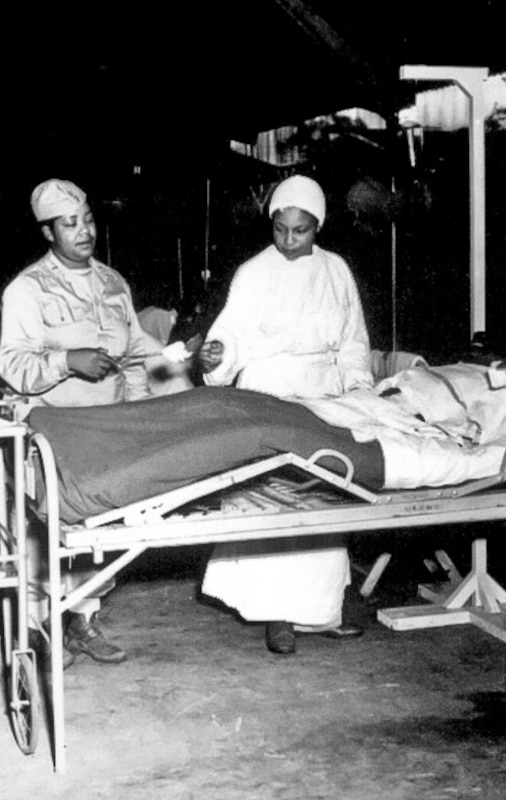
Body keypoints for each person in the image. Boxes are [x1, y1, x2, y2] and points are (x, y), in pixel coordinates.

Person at [196, 174, 373, 655]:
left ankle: (320, 611)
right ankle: (277, 616)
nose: (290, 241)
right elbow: (230, 334)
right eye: (281, 229)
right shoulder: (253, 272)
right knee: (273, 501)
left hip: (321, 394)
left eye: (302, 231)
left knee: (321, 500)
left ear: (319, 226)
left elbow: (354, 339)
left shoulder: (336, 271)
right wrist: (217, 355)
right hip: (269, 392)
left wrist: (357, 389)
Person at [0, 178, 154, 667]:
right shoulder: (28, 288)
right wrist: (67, 360)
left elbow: (135, 355)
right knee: (50, 533)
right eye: (70, 224)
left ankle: (84, 621)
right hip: (57, 430)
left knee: (104, 531)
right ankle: (40, 626)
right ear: (48, 232)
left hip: (111, 427)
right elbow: (13, 365)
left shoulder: (113, 282)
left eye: (87, 220)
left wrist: (144, 410)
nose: (84, 231)